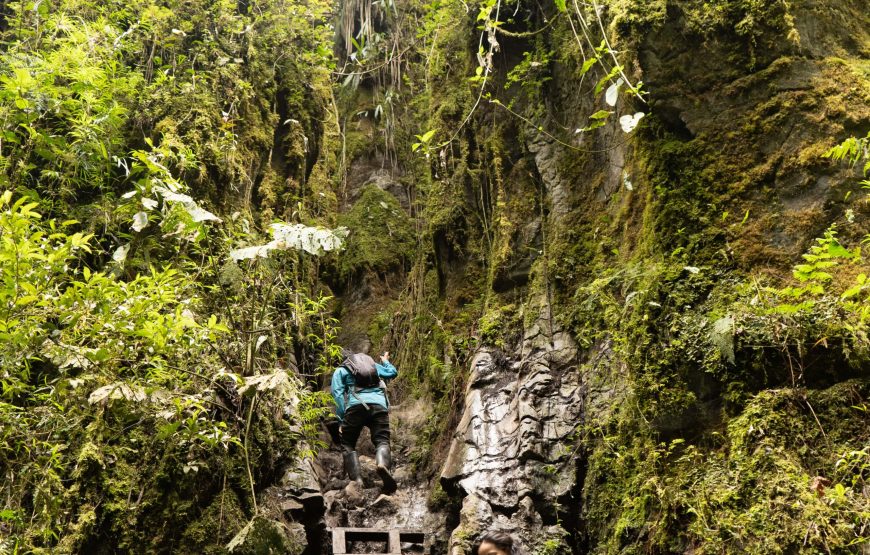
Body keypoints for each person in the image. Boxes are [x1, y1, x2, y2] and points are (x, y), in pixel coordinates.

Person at [330, 350, 398, 493]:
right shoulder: (372, 366)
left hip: (356, 407)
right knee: (382, 441)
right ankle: (382, 464)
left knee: (347, 443)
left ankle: (357, 482)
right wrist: (385, 360)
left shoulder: (341, 370)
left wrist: (341, 419)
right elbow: (392, 372)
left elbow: (338, 395)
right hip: (379, 405)